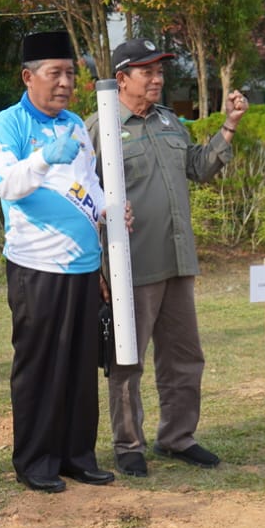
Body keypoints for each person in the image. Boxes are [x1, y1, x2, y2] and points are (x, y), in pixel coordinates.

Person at [85, 38, 244, 476]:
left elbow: (198, 167)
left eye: (160, 71)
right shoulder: (98, 129)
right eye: (147, 72)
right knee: (127, 358)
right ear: (122, 79)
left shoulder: (171, 122)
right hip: (129, 264)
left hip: (177, 258)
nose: (158, 79)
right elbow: (83, 198)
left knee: (184, 355)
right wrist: (100, 263)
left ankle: (177, 437)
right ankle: (128, 444)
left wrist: (229, 125)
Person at [0, 30, 115, 492]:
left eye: (70, 74)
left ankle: (77, 455)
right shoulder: (9, 124)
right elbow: (5, 183)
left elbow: (88, 183)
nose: (64, 83)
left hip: (82, 267)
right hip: (35, 267)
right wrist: (41, 158)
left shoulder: (77, 124)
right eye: (55, 73)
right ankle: (36, 461)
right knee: (41, 365)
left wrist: (107, 210)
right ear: (28, 77)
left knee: (82, 366)